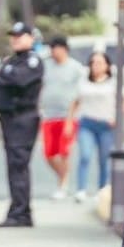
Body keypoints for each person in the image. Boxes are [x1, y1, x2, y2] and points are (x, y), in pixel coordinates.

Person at [0, 21, 44, 228]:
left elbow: (20, 80)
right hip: (9, 119)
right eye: (13, 36)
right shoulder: (12, 61)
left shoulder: (32, 60)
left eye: (20, 36)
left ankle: (21, 213)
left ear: (31, 38)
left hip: (23, 118)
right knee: (14, 166)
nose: (15, 40)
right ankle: (18, 210)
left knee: (18, 165)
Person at [65, 51, 124, 202]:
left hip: (106, 125)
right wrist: (69, 121)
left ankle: (101, 189)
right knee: (85, 155)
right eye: (93, 63)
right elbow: (75, 102)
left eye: (100, 63)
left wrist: (118, 116)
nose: (96, 66)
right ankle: (81, 190)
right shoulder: (84, 81)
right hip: (87, 123)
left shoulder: (114, 82)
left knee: (104, 159)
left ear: (107, 65)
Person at [39, 36, 85, 199]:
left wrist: (70, 119)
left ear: (64, 49)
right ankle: (62, 177)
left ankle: (63, 184)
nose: (53, 52)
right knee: (49, 154)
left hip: (67, 116)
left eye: (56, 48)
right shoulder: (46, 66)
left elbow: (79, 95)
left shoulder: (75, 68)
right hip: (48, 115)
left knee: (63, 152)